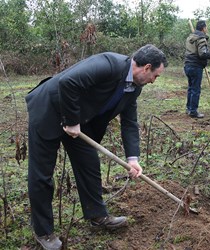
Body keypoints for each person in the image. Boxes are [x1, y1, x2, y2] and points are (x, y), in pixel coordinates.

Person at [25, 44, 168, 250]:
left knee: (89, 162)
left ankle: (97, 215)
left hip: (78, 119)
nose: (154, 81)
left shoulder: (134, 88)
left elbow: (129, 123)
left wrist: (133, 159)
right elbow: (68, 81)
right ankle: (44, 231)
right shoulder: (109, 64)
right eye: (156, 76)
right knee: (42, 174)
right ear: (146, 68)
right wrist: (71, 120)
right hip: (49, 108)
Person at [184, 20, 210, 118]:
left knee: (191, 88)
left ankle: (189, 108)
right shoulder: (201, 39)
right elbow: (202, 53)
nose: (206, 29)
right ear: (204, 28)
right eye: (206, 27)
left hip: (187, 65)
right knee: (195, 89)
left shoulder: (190, 37)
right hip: (195, 67)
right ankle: (193, 111)